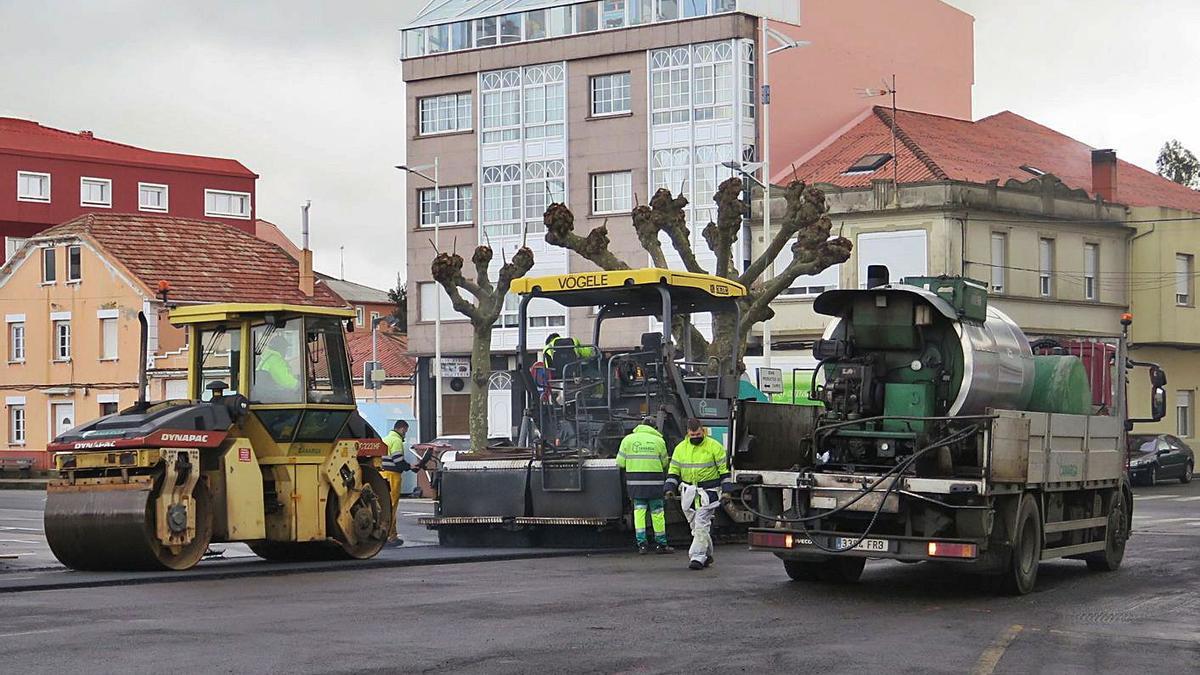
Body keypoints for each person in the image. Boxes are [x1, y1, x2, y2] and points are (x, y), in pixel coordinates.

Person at [664, 418, 732, 570]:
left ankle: (697, 557)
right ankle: (707, 555)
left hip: (709, 492)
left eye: (698, 434)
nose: (696, 437)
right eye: (692, 434)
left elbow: (724, 472)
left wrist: (727, 491)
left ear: (703, 431)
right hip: (689, 493)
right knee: (696, 527)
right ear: (687, 433)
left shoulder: (715, 447)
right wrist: (669, 488)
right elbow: (674, 471)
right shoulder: (680, 449)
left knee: (701, 523)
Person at [616, 418, 674, 555]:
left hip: (635, 484)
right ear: (654, 428)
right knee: (658, 513)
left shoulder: (627, 440)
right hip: (655, 484)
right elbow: (665, 463)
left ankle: (642, 545)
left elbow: (620, 463)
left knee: (639, 513)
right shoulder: (659, 441)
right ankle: (661, 544)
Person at [380, 420, 416, 546]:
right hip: (392, 476)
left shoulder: (385, 439)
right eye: (405, 431)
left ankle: (387, 534)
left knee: (384, 505)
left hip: (383, 474)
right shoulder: (396, 441)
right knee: (392, 507)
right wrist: (409, 466)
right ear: (401, 429)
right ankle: (390, 536)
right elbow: (398, 461)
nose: (405, 434)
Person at [256, 332, 302, 400]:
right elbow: (285, 380)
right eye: (285, 348)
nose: (286, 351)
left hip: (266, 395)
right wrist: (300, 385)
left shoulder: (266, 357)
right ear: (280, 348)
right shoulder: (275, 360)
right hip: (273, 397)